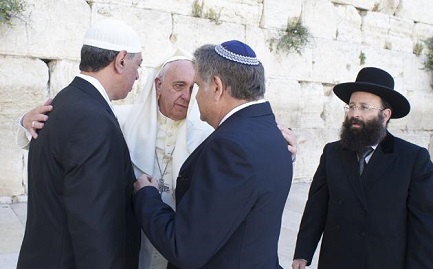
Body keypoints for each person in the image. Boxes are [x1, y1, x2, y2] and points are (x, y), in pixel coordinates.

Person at [17, 48, 298, 269]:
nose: (188, 97)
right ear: (159, 85)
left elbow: (246, 169)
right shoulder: (115, 121)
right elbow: (64, 144)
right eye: (179, 86)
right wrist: (25, 123)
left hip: (180, 245)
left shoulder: (211, 134)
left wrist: (288, 150)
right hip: (133, 243)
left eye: (193, 87)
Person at [133, 40, 293, 269]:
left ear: (217, 87)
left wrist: (146, 197)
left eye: (197, 86)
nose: (193, 98)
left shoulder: (229, 147)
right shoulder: (273, 132)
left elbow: (184, 247)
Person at [17, 19, 143, 269]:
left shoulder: (65, 101)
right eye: (137, 65)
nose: (138, 75)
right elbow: (94, 227)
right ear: (120, 60)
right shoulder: (93, 120)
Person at [292, 67, 433, 269]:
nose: (354, 114)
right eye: (351, 106)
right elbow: (316, 208)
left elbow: (424, 228)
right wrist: (302, 253)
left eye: (364, 107)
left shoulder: (413, 159)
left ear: (385, 115)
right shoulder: (332, 153)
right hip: (336, 260)